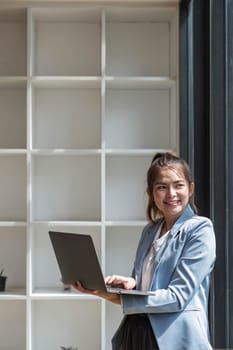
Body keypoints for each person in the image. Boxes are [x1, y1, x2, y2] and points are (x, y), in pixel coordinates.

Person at [73, 152, 216, 350]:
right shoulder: (150, 231)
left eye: (178, 185)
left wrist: (125, 296)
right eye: (162, 187)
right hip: (138, 335)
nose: (171, 194)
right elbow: (145, 291)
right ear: (151, 193)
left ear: (191, 189)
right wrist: (124, 286)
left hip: (176, 342)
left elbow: (177, 297)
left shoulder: (200, 229)